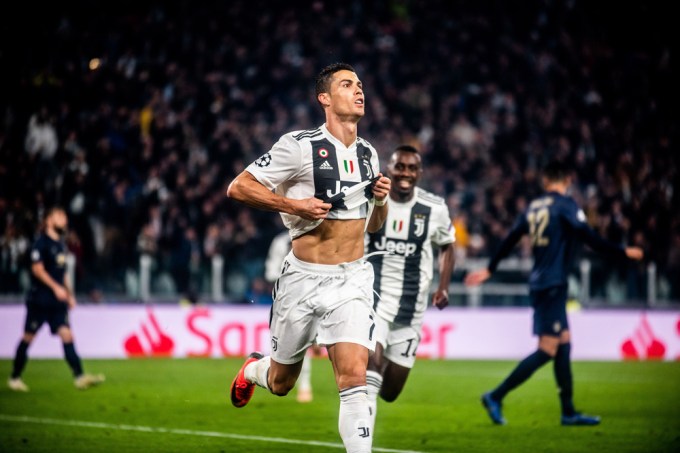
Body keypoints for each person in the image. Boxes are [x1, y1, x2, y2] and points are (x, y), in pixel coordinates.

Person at [226, 62, 390, 453]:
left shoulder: (369, 154)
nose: (358, 90)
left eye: (360, 84)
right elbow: (238, 187)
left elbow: (374, 226)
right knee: (282, 383)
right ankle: (254, 368)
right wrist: (293, 205)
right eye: (347, 84)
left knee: (354, 377)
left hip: (352, 279)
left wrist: (381, 200)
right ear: (325, 98)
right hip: (302, 278)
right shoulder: (299, 146)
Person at [464, 160, 644, 426]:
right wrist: (622, 252)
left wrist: (491, 268)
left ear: (545, 182)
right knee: (548, 349)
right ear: (567, 181)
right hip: (552, 283)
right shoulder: (566, 205)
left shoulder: (533, 207)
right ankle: (495, 395)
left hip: (542, 282)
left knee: (564, 344)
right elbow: (587, 234)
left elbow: (511, 237)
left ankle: (568, 411)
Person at [364, 144, 456, 434]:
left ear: (419, 173)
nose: (405, 173)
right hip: (373, 298)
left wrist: (443, 287)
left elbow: (448, 245)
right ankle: (360, 442)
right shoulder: (371, 199)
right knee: (371, 369)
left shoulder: (434, 208)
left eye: (411, 168)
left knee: (390, 392)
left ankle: (360, 403)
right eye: (399, 167)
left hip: (411, 308)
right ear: (389, 169)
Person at [8, 207, 105, 391]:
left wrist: (69, 295)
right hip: (40, 299)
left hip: (57, 302)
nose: (64, 220)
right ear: (49, 220)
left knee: (67, 334)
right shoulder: (40, 243)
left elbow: (64, 273)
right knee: (28, 337)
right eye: (60, 216)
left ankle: (79, 376)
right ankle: (14, 377)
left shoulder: (61, 245)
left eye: (65, 217)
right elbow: (37, 269)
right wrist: (55, 288)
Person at [264, 228, 319, 403]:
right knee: (299, 344)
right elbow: (272, 272)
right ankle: (304, 385)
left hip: (318, 293)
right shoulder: (280, 242)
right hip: (289, 297)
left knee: (312, 342)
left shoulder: (320, 234)